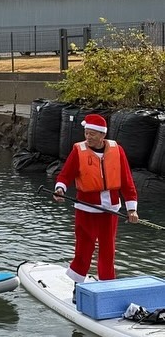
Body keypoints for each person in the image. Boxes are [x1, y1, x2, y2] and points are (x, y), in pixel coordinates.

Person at [53, 113, 139, 303]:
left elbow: (126, 181)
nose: (88, 137)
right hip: (86, 209)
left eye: (92, 134)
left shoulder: (117, 151)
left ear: (102, 135)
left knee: (108, 251)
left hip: (110, 210)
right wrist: (60, 188)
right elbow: (65, 175)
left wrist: (131, 208)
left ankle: (107, 288)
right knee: (84, 248)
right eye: (86, 133)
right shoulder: (79, 151)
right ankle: (78, 288)